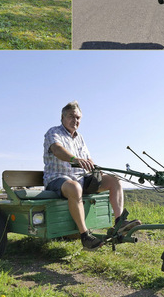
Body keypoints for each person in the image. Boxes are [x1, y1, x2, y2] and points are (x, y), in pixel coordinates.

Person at [44, 102, 137, 250]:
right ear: (62, 117)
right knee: (74, 187)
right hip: (58, 178)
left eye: (78, 118)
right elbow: (57, 149)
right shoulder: (53, 132)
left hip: (81, 178)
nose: (75, 121)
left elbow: (88, 159)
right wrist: (74, 159)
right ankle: (85, 236)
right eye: (71, 116)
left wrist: (95, 170)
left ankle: (120, 223)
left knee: (114, 180)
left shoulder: (79, 137)